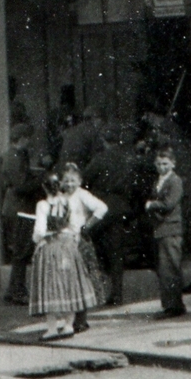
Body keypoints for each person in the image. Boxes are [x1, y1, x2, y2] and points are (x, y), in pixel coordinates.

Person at [28, 168, 106, 341]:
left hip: (50, 246)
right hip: (69, 245)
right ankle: (69, 325)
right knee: (69, 284)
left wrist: (37, 238)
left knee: (51, 287)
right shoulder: (68, 202)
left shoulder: (43, 205)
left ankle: (52, 329)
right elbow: (72, 226)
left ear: (44, 187)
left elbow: (39, 231)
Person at [82, 125, 137, 307]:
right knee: (117, 252)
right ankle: (117, 293)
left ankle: (100, 290)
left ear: (104, 141)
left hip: (103, 208)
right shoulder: (127, 159)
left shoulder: (100, 159)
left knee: (97, 247)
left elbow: (85, 178)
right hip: (121, 208)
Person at [0, 125, 43, 306]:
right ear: (22, 138)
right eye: (28, 138)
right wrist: (40, 180)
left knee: (20, 251)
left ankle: (13, 289)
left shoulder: (12, 156)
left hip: (14, 207)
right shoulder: (14, 157)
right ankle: (17, 290)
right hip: (19, 208)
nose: (30, 141)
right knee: (21, 251)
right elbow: (21, 185)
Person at [146, 147, 186, 319]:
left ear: (173, 163)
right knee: (165, 268)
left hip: (171, 228)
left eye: (165, 163)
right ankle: (170, 304)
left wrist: (151, 205)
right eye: (159, 164)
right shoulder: (160, 180)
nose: (162, 167)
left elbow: (169, 203)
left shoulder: (174, 181)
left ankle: (174, 306)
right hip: (161, 228)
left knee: (170, 268)